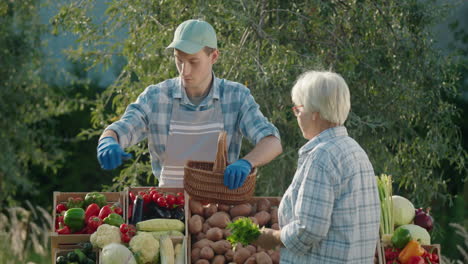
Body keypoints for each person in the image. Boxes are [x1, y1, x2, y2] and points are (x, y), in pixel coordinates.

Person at [96, 19, 282, 189]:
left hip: (217, 210)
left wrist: (247, 162)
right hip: (167, 206)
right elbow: (121, 127)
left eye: (193, 61)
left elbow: (272, 142)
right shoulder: (155, 97)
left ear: (214, 57)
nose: (185, 70)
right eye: (179, 60)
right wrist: (108, 140)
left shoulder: (236, 96)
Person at [253, 71, 380, 263]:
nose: (296, 116)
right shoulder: (356, 151)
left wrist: (273, 237)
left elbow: (309, 229)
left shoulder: (322, 157)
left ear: (314, 113)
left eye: (298, 109)